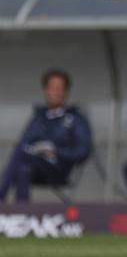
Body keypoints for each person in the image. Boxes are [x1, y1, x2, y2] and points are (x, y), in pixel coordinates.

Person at [0, 70, 92, 203]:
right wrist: (38, 149)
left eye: (59, 88)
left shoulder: (76, 120)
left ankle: (1, 197)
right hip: (35, 166)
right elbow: (23, 144)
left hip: (59, 169)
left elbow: (83, 151)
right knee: (23, 167)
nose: (56, 92)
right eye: (52, 88)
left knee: (23, 156)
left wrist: (55, 151)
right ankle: (22, 212)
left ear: (66, 92)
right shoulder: (38, 118)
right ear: (45, 91)